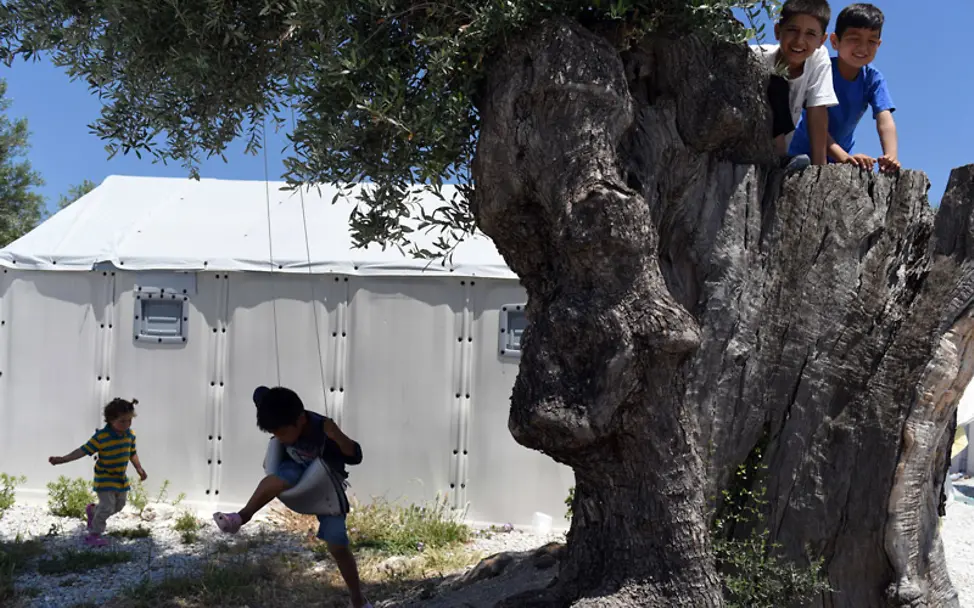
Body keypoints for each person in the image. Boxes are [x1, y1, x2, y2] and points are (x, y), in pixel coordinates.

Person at [212, 386, 371, 608]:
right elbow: (260, 393)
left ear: (300, 420)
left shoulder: (322, 430)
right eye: (275, 434)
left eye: (283, 433)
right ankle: (240, 517)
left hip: (325, 484)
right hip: (294, 470)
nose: (281, 439)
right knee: (275, 480)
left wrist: (336, 434)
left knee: (338, 545)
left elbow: (356, 456)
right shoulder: (281, 418)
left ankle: (357, 599)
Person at [788, 3, 898, 173]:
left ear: (879, 44)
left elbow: (885, 119)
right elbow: (815, 121)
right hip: (800, 151)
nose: (863, 47)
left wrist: (890, 156)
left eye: (871, 41)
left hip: (842, 159)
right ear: (834, 41)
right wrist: (842, 156)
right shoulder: (822, 70)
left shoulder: (872, 78)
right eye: (854, 39)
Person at [751, 0, 838, 171]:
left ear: (822, 40)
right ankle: (779, 158)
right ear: (777, 31)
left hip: (777, 158)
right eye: (792, 30)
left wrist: (819, 170)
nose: (799, 41)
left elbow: (817, 111)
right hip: (748, 148)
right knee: (776, 83)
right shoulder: (754, 57)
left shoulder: (818, 58)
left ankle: (779, 159)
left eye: (810, 34)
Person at [49, 398, 147, 547]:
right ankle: (94, 534)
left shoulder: (130, 435)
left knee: (119, 506)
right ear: (110, 420)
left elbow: (132, 453)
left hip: (120, 479)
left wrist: (139, 468)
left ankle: (93, 511)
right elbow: (83, 450)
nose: (126, 424)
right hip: (105, 477)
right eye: (122, 421)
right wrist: (63, 459)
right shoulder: (101, 437)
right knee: (107, 506)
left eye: (129, 421)